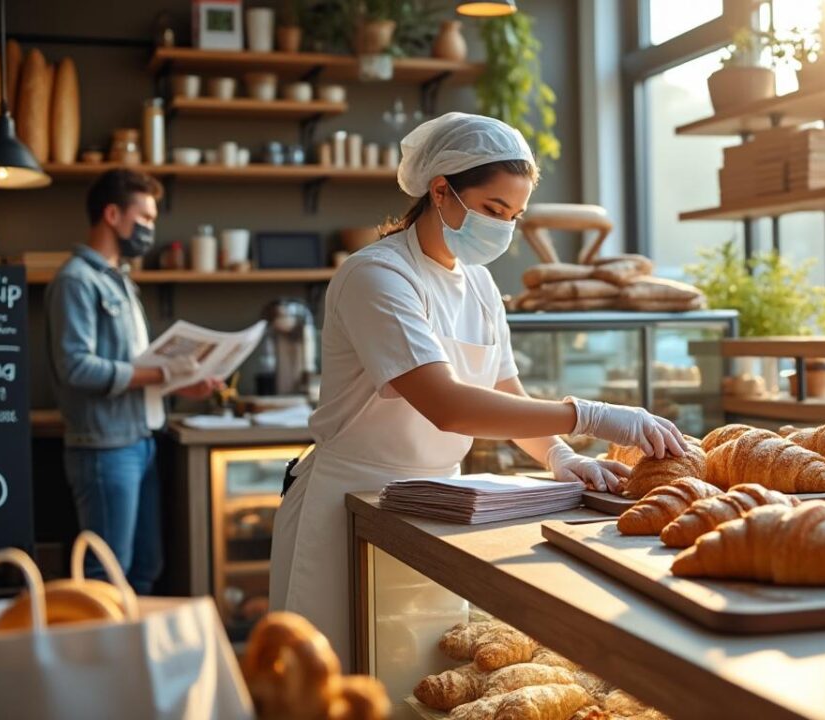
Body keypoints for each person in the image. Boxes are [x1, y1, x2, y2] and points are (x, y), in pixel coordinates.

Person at [270, 112, 685, 662]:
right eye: (493, 210)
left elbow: (504, 390)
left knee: (413, 676)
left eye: (514, 216)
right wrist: (586, 415)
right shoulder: (377, 275)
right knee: (338, 682)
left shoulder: (481, 285)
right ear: (440, 191)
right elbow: (446, 404)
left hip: (437, 508)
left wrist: (560, 458)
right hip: (349, 506)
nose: (503, 228)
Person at [46, 169, 221, 593]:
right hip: (105, 448)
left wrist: (179, 385)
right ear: (111, 214)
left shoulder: (120, 280)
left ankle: (130, 656)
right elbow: (77, 367)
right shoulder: (75, 281)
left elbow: (131, 370)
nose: (149, 229)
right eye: (143, 218)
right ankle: (99, 660)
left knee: (145, 566)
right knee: (107, 575)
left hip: (140, 442)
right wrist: (164, 373)